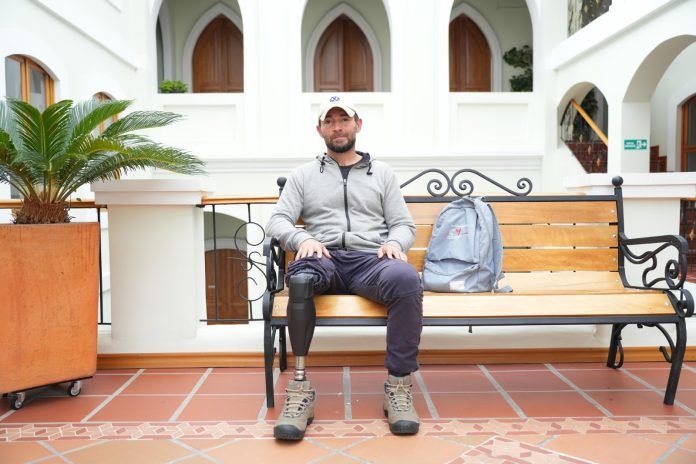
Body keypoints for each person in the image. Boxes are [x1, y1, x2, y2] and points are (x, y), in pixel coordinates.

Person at [266, 95, 424, 441]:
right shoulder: (303, 175)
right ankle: (300, 389)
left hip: (371, 261)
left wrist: (394, 244)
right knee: (301, 279)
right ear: (320, 129)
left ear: (358, 125)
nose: (337, 127)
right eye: (330, 121)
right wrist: (301, 238)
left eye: (344, 120)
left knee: (406, 279)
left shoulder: (382, 173)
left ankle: (398, 385)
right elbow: (278, 221)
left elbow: (403, 224)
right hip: (323, 257)